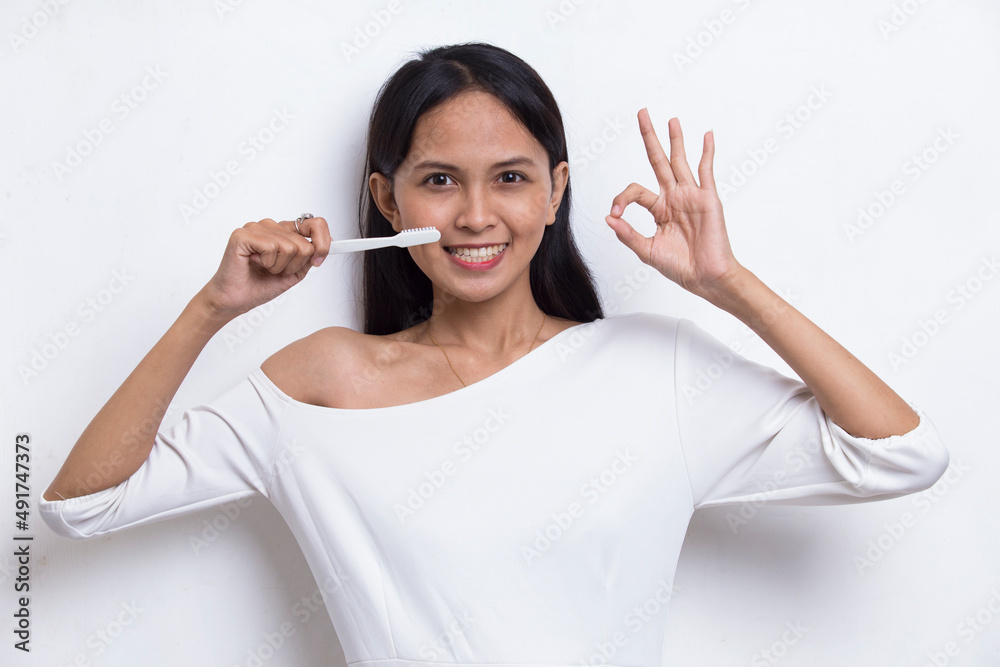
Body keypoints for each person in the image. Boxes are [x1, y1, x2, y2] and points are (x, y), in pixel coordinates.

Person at [41, 42, 949, 663]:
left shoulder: (651, 367)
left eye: (510, 178)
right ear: (387, 203)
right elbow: (81, 507)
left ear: (555, 191)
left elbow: (900, 452)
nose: (475, 215)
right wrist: (210, 308)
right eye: (440, 180)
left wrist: (727, 285)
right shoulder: (326, 381)